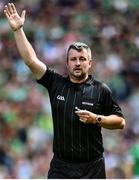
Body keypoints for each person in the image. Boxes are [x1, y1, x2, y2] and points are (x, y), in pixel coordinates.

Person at [4, 3, 126, 179]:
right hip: (61, 166)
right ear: (67, 63)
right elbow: (31, 61)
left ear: (90, 63)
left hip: (93, 167)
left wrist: (96, 119)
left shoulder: (101, 89)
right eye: (73, 59)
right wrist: (18, 30)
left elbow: (120, 122)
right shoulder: (55, 83)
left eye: (82, 59)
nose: (77, 63)